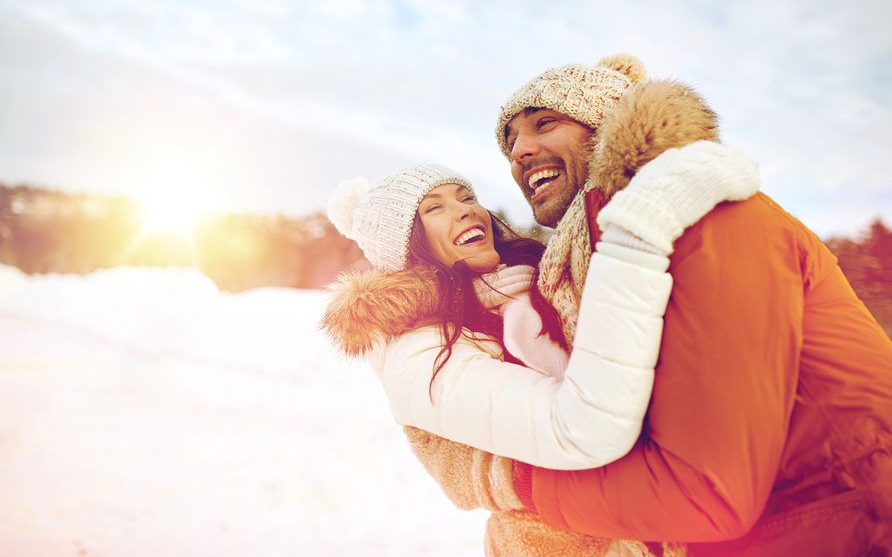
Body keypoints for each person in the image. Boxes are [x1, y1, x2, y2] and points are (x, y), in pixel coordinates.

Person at [415, 53, 892, 555]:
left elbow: (708, 491)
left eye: (545, 123)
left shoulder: (705, 216)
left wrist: (514, 483)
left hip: (848, 525)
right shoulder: (601, 259)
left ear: (604, 125)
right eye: (509, 144)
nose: (520, 152)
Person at [321, 152, 758, 555]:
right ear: (405, 247)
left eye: (466, 196)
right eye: (435, 207)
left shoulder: (532, 286)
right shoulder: (417, 352)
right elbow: (579, 426)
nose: (467, 209)